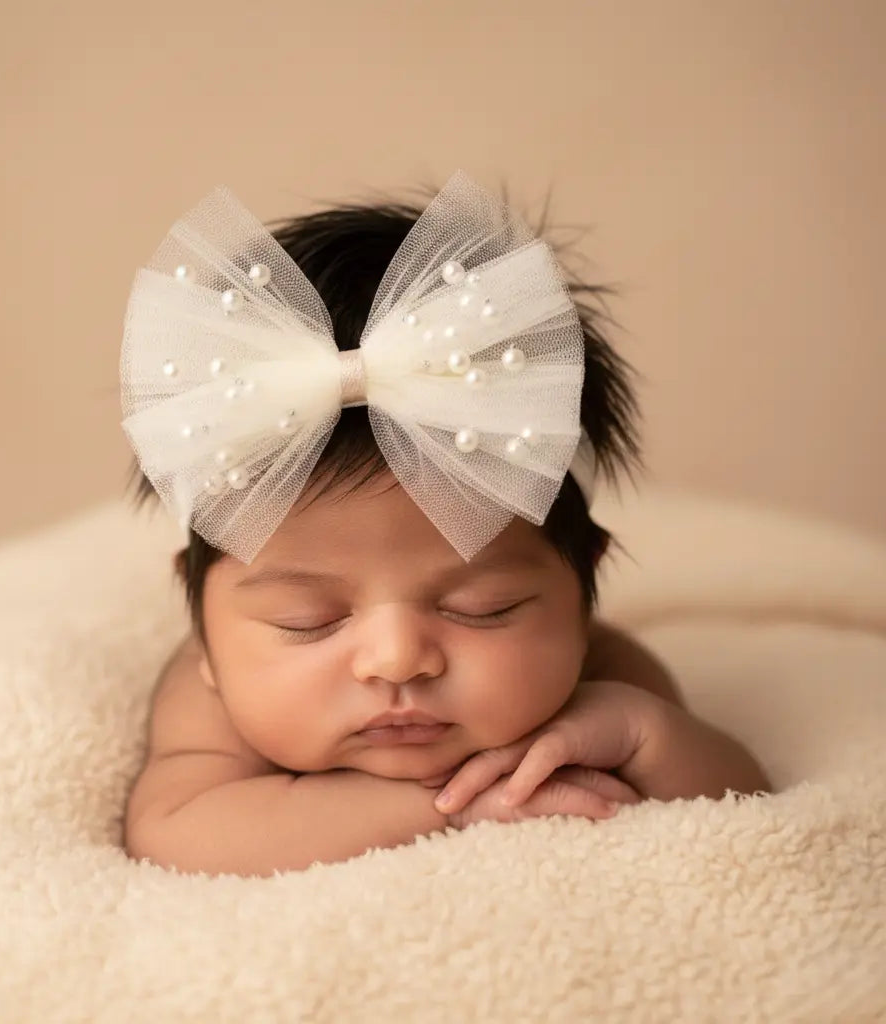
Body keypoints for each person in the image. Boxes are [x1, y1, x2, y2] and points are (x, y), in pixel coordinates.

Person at [120, 173, 769, 878]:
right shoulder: (211, 696)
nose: (398, 660)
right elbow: (178, 831)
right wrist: (453, 807)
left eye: (484, 609)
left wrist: (647, 737)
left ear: (584, 598)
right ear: (206, 636)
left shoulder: (604, 683)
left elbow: (744, 803)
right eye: (307, 620)